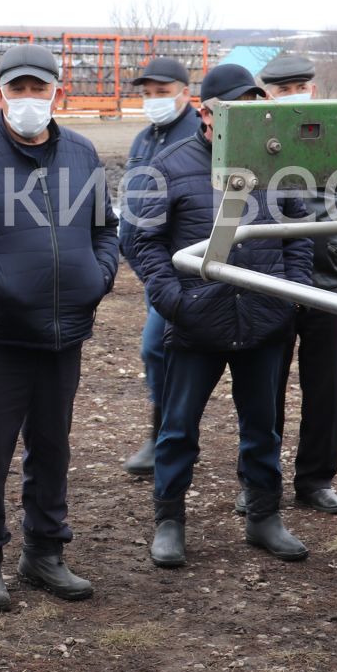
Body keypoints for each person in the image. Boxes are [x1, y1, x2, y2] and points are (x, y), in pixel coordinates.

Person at [0, 45, 119, 612]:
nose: (30, 100)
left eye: (40, 89)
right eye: (19, 89)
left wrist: (101, 274)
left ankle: (45, 552)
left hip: (64, 335)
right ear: (0, 94)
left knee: (53, 447)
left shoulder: (83, 155)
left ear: (57, 92)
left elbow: (107, 229)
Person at [125, 63, 315, 569]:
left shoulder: (280, 168)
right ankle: (169, 521)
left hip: (263, 320)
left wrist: (288, 293)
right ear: (207, 113)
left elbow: (298, 233)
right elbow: (142, 243)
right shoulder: (167, 168)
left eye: (256, 106)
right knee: (178, 426)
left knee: (262, 426)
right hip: (195, 323)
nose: (249, 116)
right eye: (236, 107)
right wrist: (175, 301)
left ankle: (263, 516)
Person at [256, 52, 337, 516]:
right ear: (267, 95)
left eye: (300, 87)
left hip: (326, 282)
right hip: (269, 281)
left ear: (312, 90)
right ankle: (258, 478)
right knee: (264, 386)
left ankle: (316, 479)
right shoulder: (256, 138)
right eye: (281, 90)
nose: (293, 96)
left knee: (323, 388)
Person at [118, 55, 205, 478]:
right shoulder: (144, 139)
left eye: (163, 93)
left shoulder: (194, 137)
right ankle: (167, 435)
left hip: (182, 267)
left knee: (159, 348)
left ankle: (168, 437)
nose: (153, 100)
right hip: (153, 267)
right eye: (148, 94)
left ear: (185, 94)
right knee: (160, 351)